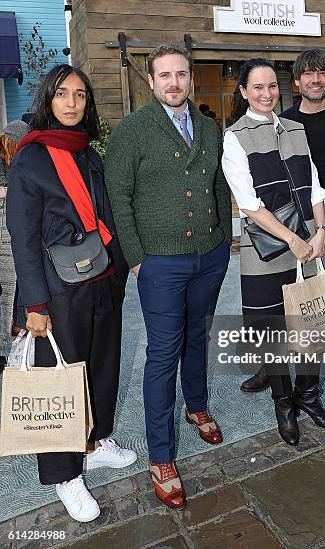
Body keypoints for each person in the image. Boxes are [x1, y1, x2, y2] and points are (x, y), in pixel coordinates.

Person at [6, 64, 137, 523]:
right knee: (59, 382)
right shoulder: (31, 157)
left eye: (81, 96)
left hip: (101, 280)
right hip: (58, 289)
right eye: (63, 94)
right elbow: (22, 237)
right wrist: (34, 305)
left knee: (103, 367)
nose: (72, 103)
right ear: (48, 98)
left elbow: (106, 214)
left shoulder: (87, 152)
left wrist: (119, 272)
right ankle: (65, 474)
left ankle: (96, 442)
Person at [104, 44, 232, 510]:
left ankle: (196, 404)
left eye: (181, 74)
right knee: (163, 353)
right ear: (152, 82)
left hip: (210, 255)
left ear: (190, 79)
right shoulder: (132, 131)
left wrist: (222, 238)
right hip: (160, 261)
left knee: (198, 335)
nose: (174, 83)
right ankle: (161, 455)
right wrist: (137, 257)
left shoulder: (207, 126)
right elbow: (118, 196)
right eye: (165, 76)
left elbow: (218, 183)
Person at [222, 58, 325, 447]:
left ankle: (308, 397)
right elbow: (249, 203)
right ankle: (284, 405)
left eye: (272, 86)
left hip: (310, 241)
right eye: (257, 87)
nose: (266, 94)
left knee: (313, 323)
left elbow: (316, 185)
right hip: (269, 249)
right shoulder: (235, 136)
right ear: (243, 92)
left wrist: (321, 230)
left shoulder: (295, 128)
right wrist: (293, 239)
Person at [241, 49, 325, 403]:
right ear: (297, 82)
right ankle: (272, 367)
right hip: (303, 222)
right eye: (308, 74)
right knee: (293, 299)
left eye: (322, 73)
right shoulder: (287, 120)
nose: (316, 79)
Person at [0, 120, 30, 352]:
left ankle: (17, 325)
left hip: (17, 224)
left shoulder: (22, 159)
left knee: (22, 277)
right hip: (3, 229)